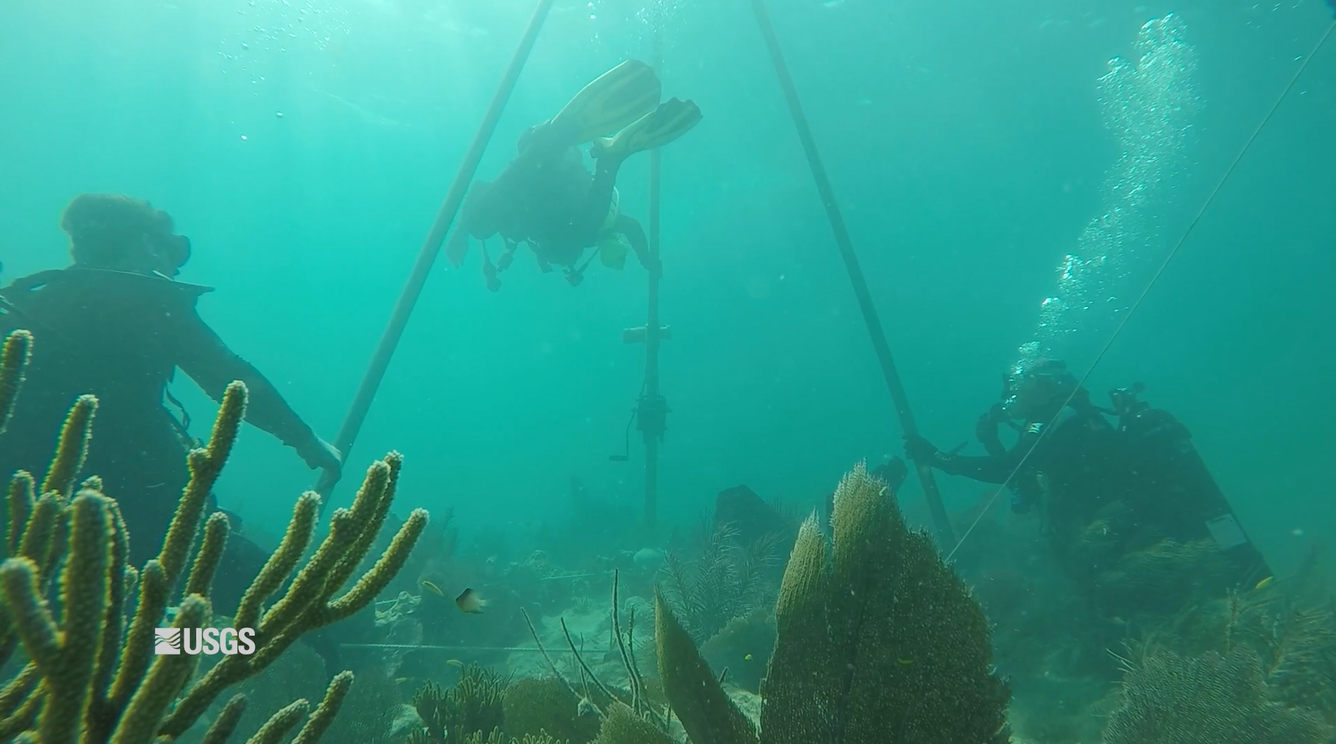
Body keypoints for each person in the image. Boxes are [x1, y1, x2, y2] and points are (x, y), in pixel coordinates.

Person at [0, 193, 342, 611]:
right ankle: (228, 645)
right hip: (139, 490)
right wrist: (306, 441)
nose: (175, 266)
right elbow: (227, 376)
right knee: (256, 601)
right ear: (143, 242)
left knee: (65, 618)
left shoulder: (28, 304)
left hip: (29, 503)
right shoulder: (148, 301)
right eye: (168, 247)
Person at [904, 358, 1271, 602]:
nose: (1012, 397)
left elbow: (1009, 470)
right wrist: (990, 441)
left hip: (1122, 521)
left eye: (1019, 385)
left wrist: (940, 459)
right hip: (1128, 516)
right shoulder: (1066, 418)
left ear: (1043, 385)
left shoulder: (1052, 417)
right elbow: (1022, 493)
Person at [447, 59, 702, 290]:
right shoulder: (584, 230)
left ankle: (573, 145)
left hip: (542, 168)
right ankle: (597, 153)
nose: (567, 258)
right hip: (545, 171)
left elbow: (481, 188)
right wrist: (646, 259)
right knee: (494, 216)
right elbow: (631, 227)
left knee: (484, 222)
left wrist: (462, 231)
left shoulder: (553, 228)